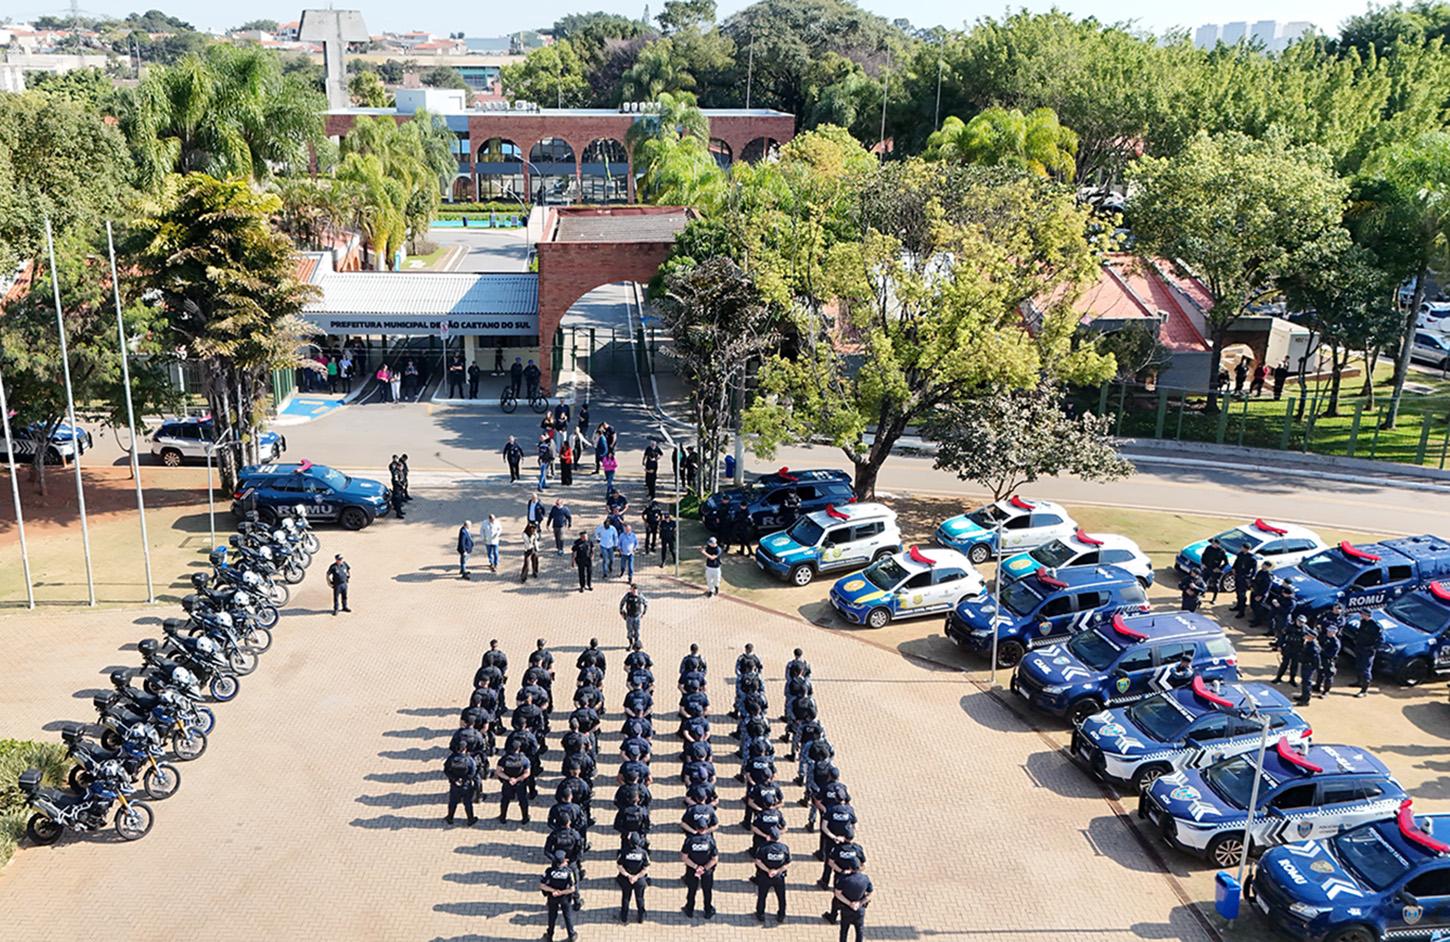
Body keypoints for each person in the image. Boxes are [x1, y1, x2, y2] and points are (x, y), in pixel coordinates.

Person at [540, 851, 578, 942]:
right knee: (567, 916)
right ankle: (571, 935)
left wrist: (553, 891)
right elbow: (572, 889)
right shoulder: (569, 872)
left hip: (553, 897)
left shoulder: (549, 871)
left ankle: (549, 936)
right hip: (565, 898)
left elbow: (542, 885)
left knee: (552, 916)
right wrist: (561, 892)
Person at [680, 829, 718, 919]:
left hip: (692, 870)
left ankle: (689, 910)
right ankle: (708, 910)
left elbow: (684, 857)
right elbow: (714, 859)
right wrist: (704, 868)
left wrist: (696, 867)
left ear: (696, 828)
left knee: (692, 890)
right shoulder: (710, 840)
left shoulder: (690, 840)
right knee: (707, 891)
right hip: (707, 871)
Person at [828, 866, 873, 942]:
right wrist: (860, 903)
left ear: (850, 868)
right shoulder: (865, 878)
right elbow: (870, 894)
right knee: (859, 930)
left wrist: (849, 903)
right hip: (859, 910)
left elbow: (838, 894)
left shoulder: (844, 879)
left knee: (844, 931)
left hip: (846, 909)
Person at [753, 834, 790, 924]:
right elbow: (787, 863)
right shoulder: (784, 848)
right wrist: (777, 871)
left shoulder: (763, 848)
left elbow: (758, 861)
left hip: (765, 876)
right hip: (779, 877)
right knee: (781, 897)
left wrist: (768, 870)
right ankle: (781, 915)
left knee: (762, 896)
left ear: (769, 837)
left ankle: (760, 914)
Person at [617, 831, 650, 924]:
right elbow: (646, 868)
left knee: (626, 898)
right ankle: (641, 918)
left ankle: (624, 917)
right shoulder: (643, 853)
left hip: (626, 879)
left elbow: (619, 866)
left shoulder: (624, 852)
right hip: (639, 879)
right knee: (640, 898)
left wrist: (628, 876)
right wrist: (636, 877)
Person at [443, 746, 480, 826]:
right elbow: (473, 772)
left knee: (453, 802)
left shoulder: (451, 758)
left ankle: (450, 818)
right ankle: (470, 819)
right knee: (468, 803)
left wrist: (455, 779)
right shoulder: (469, 760)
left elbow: (446, 770)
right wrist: (464, 780)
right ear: (465, 749)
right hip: (466, 785)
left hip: (455, 785)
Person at [1355, 612, 1382, 697]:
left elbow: (1380, 639)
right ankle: (1359, 682)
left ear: (1367, 615)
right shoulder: (1363, 622)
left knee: (1366, 669)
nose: (1361, 615)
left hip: (1368, 650)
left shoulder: (1375, 626)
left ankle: (1364, 690)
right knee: (1359, 665)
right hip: (1360, 647)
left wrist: (1373, 648)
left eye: (1362, 614)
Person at [1274, 614, 1306, 685]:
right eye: (1299, 621)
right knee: (1284, 664)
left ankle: (1292, 679)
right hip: (1288, 647)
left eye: (1302, 622)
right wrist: (1280, 645)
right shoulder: (1289, 627)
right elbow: (1282, 636)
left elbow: (1313, 634)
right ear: (1296, 620)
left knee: (1294, 665)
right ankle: (1278, 678)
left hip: (1297, 649)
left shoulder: (1305, 629)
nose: (1300, 623)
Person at [1296, 622, 1322, 706]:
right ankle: (1303, 696)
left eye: (1307, 635)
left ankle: (1306, 700)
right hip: (1305, 664)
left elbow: (1316, 659)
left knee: (1307, 682)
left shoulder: (1314, 647)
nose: (1305, 636)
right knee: (1304, 682)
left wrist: (1317, 667)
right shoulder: (1308, 643)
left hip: (1309, 666)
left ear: (1311, 637)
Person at [1316, 620, 1342, 697]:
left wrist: (1321, 651)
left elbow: (1332, 654)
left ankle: (1326, 691)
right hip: (1322, 658)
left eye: (1330, 632)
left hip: (1329, 660)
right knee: (1320, 672)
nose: (1328, 632)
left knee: (1328, 675)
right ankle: (1317, 686)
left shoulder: (1336, 643)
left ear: (1334, 633)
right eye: (1328, 631)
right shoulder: (1325, 637)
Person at [1199, 538, 1228, 602]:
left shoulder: (1221, 551)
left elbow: (1226, 562)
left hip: (1215, 570)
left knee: (1215, 585)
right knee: (1203, 581)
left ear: (1218, 544)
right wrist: (1203, 564)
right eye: (1212, 543)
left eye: (1214, 543)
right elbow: (1203, 556)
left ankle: (1214, 598)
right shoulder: (1208, 548)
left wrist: (1219, 568)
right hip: (1207, 568)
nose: (1213, 544)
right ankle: (1202, 593)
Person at [1231, 550, 1258, 617]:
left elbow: (1254, 570)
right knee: (1238, 592)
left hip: (1244, 579)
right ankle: (1238, 606)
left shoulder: (1252, 558)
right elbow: (1236, 562)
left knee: (1242, 595)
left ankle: (1241, 612)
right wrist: (1233, 568)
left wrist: (1250, 578)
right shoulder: (1240, 555)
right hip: (1238, 576)